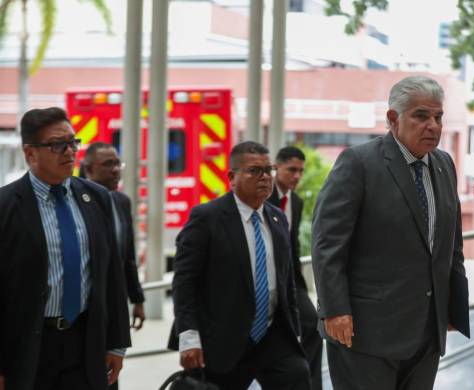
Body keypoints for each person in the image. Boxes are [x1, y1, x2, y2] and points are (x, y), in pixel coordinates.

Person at [312, 76, 470, 389]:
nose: (433, 126)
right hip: (364, 332)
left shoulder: (443, 165)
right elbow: (328, 244)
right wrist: (335, 309)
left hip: (426, 331)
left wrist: (452, 304)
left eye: (438, 117)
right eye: (421, 116)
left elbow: (451, 244)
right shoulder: (358, 163)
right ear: (393, 119)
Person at [0, 107, 131, 390]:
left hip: (85, 342)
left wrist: (117, 343)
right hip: (29, 347)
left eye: (73, 142)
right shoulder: (7, 205)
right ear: (30, 153)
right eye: (58, 145)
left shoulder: (96, 198)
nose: (70, 152)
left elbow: (111, 272)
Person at [168, 141, 310, 390]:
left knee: (297, 374)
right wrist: (189, 337)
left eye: (269, 170)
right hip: (223, 338)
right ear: (232, 177)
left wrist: (294, 329)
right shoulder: (207, 217)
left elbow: (286, 281)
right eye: (255, 171)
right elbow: (184, 281)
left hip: (272, 336)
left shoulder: (277, 219)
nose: (265, 177)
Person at [268, 146, 323, 390]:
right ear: (276, 168)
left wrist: (298, 286)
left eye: (301, 171)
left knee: (312, 325)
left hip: (289, 279)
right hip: (261, 278)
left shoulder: (296, 202)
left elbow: (291, 248)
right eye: (291, 170)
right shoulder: (261, 195)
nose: (297, 176)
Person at [83, 142, 146, 330]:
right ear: (89, 169)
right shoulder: (76, 202)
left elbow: (128, 257)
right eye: (108, 164)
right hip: (87, 304)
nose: (116, 170)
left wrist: (137, 300)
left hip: (116, 302)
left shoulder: (121, 202)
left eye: (118, 164)